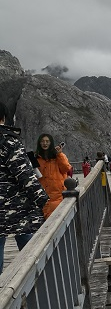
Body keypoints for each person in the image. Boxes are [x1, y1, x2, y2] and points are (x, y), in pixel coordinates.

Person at [0, 102, 49, 274]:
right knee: (30, 251)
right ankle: (39, 282)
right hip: (19, 209)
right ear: (4, 118)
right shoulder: (8, 142)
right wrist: (44, 200)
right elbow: (26, 177)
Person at [35, 133, 71, 219]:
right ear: (39, 143)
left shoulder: (58, 156)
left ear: (51, 143)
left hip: (58, 195)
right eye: (42, 141)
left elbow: (66, 168)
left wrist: (59, 154)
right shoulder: (36, 158)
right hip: (43, 195)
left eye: (47, 141)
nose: (45, 143)